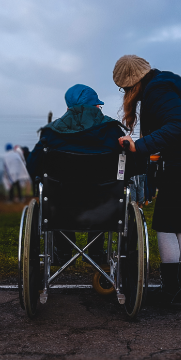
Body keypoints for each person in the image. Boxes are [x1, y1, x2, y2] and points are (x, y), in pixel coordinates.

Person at [113, 55, 181, 308]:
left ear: (132, 83)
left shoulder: (158, 90)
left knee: (165, 224)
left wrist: (139, 146)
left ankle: (171, 290)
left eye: (125, 89)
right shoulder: (168, 82)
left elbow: (178, 124)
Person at [27, 84, 144, 265]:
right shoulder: (113, 131)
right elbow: (134, 167)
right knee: (101, 194)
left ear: (68, 108)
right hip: (104, 207)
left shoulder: (50, 133)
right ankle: (96, 252)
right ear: (96, 107)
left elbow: (33, 166)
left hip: (60, 208)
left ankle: (63, 252)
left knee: (59, 195)